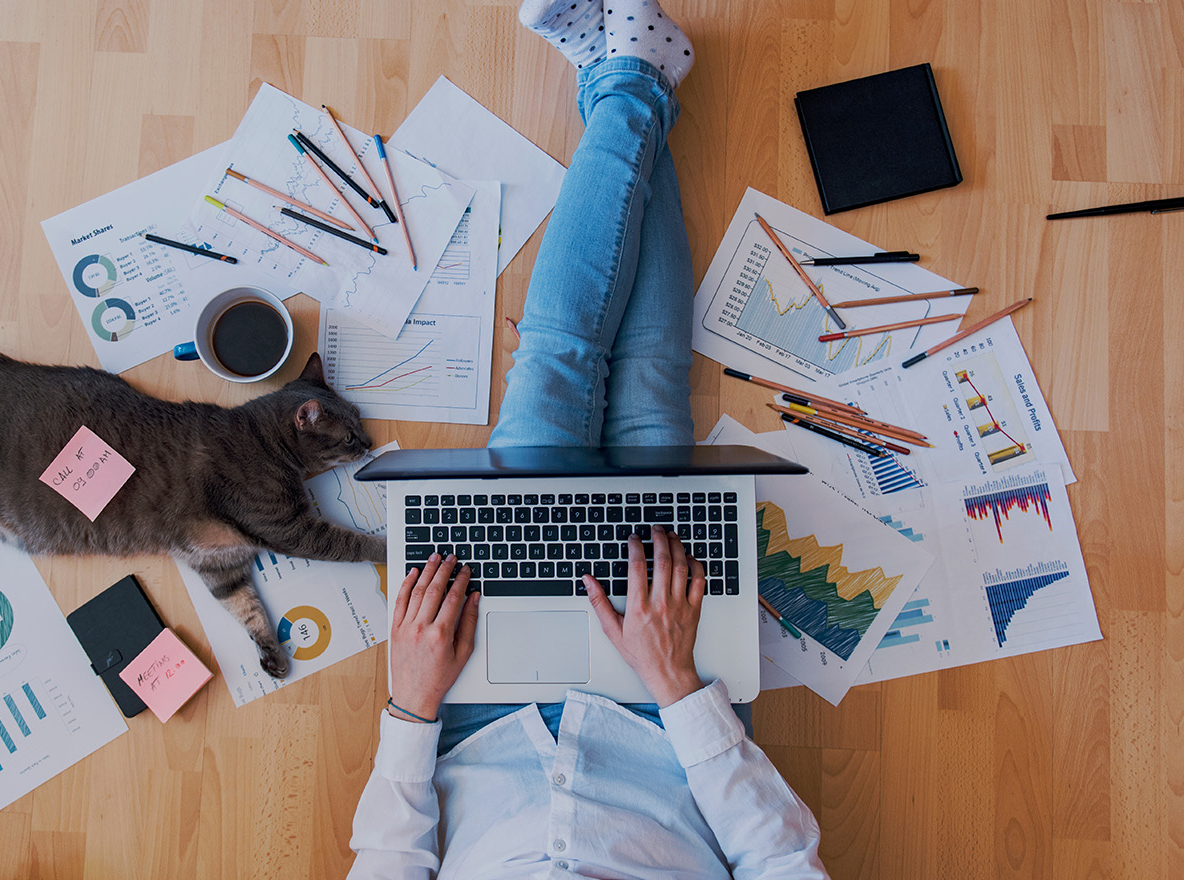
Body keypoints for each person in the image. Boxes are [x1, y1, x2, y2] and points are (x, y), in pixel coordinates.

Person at [347, 1, 829, 876]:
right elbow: (781, 858)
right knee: (643, 385)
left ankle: (629, 78)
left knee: (561, 368)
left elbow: (388, 858)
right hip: (665, 721)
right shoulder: (672, 698)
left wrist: (411, 709)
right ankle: (630, 79)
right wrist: (680, 687)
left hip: (471, 710)